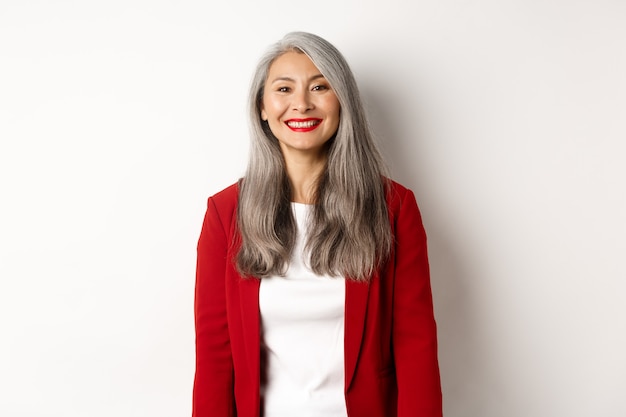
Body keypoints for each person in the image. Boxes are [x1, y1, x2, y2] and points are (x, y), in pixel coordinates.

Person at [193, 31, 442, 417]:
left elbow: (415, 349)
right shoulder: (225, 214)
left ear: (342, 101)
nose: (302, 104)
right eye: (284, 89)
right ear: (262, 106)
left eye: (319, 86)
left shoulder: (393, 208)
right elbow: (214, 357)